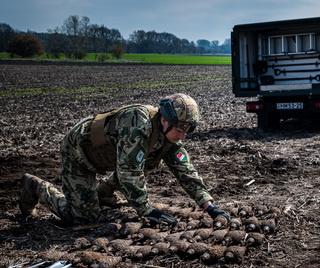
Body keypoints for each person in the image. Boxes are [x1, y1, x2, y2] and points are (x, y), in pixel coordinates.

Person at [19, 93, 230, 226]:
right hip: (80, 155)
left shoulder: (169, 136)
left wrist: (209, 206)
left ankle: (103, 193)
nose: (183, 137)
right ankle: (35, 187)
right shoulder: (138, 124)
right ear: (165, 120)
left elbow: (186, 171)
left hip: (110, 159)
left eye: (187, 131)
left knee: (150, 159)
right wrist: (145, 210)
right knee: (84, 218)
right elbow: (129, 170)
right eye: (180, 130)